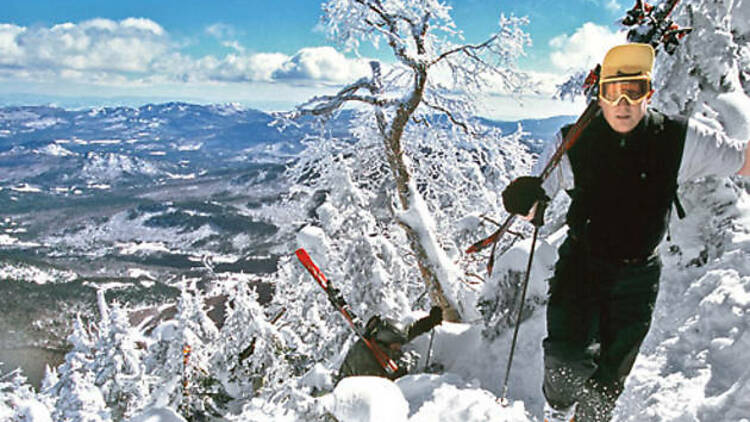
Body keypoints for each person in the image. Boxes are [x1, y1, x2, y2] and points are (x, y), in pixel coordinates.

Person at [501, 43, 750, 422]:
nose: (622, 102)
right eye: (612, 92)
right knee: (565, 360)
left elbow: (741, 159)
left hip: (637, 277)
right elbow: (537, 201)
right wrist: (522, 198)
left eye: (633, 91)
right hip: (580, 268)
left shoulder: (678, 139)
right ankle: (557, 412)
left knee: (607, 386)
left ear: (648, 93)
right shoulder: (573, 142)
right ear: (599, 96)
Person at [336, 306, 443, 383]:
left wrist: (430, 321)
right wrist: (401, 373)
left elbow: (409, 332)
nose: (399, 348)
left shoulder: (382, 341)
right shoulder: (365, 358)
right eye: (396, 345)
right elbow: (381, 387)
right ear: (386, 343)